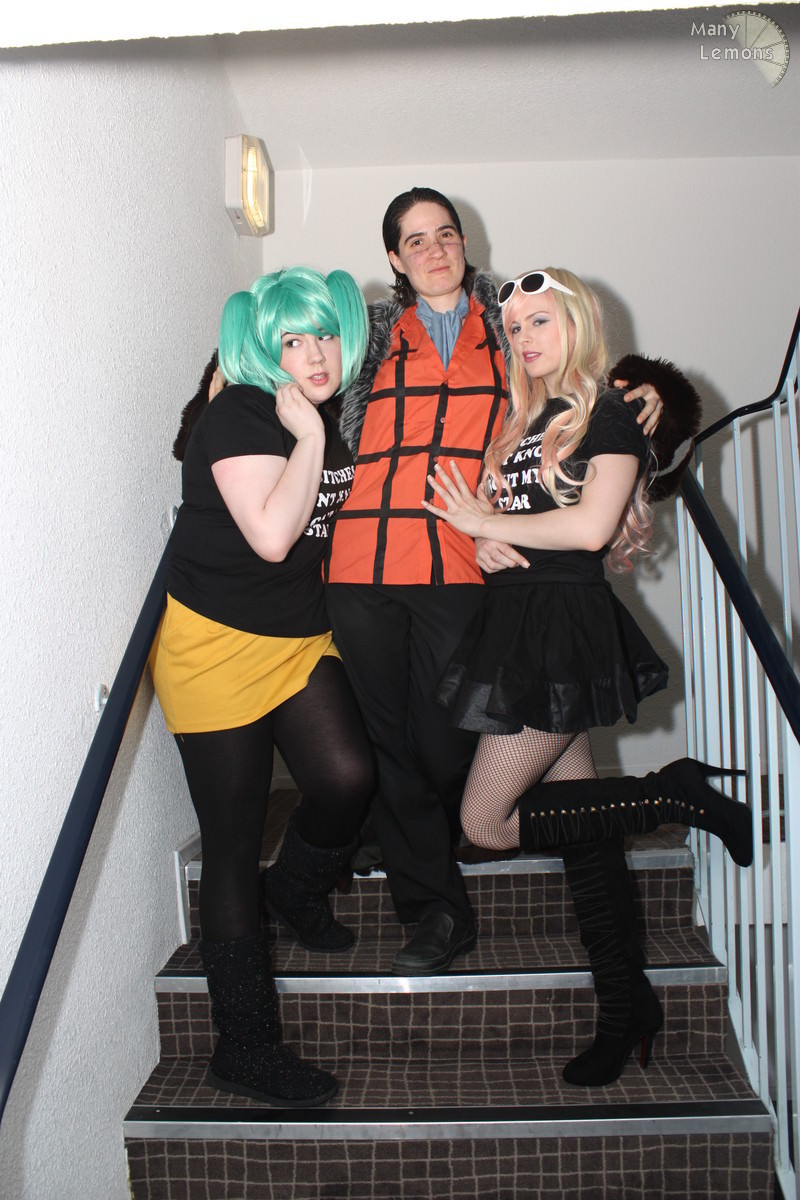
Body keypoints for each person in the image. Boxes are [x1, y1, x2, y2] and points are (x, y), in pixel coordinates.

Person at [325, 187, 669, 976]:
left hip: (462, 563)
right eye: (415, 240)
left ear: (463, 242)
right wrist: (225, 386)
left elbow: (575, 386)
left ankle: (427, 834)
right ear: (394, 258)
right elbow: (284, 359)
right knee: (389, 746)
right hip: (360, 564)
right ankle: (435, 911)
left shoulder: (507, 328)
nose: (434, 249)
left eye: (445, 233)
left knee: (449, 744)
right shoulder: (366, 337)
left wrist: (648, 388)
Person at [423, 267, 752, 1086]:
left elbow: (593, 525)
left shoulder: (608, 411)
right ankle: (626, 1007)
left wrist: (484, 520)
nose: (525, 337)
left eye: (542, 320)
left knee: (485, 821)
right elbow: (524, 524)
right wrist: (487, 541)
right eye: (515, 327)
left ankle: (676, 794)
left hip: (559, 629)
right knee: (586, 835)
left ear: (578, 323)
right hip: (519, 621)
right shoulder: (525, 420)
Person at [150, 267, 376, 1107]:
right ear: (261, 348)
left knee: (347, 778)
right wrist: (310, 437)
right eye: (292, 339)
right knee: (233, 844)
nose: (315, 354)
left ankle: (298, 888)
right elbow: (276, 535)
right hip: (214, 645)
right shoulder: (245, 412)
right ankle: (243, 1046)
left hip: (296, 638)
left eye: (325, 335)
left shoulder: (323, 414)